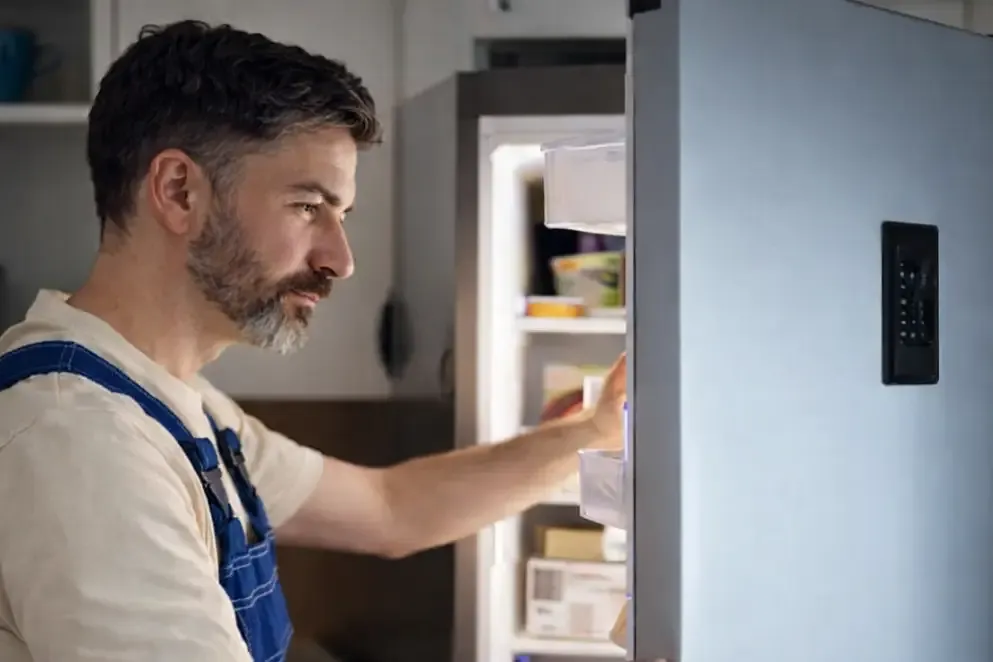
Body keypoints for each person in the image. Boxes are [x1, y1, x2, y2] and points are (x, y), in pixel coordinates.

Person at [0, 19, 627, 662]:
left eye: (341, 215)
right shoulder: (78, 434)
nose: (340, 258)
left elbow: (392, 509)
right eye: (307, 207)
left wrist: (590, 432)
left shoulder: (180, 406)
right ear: (178, 192)